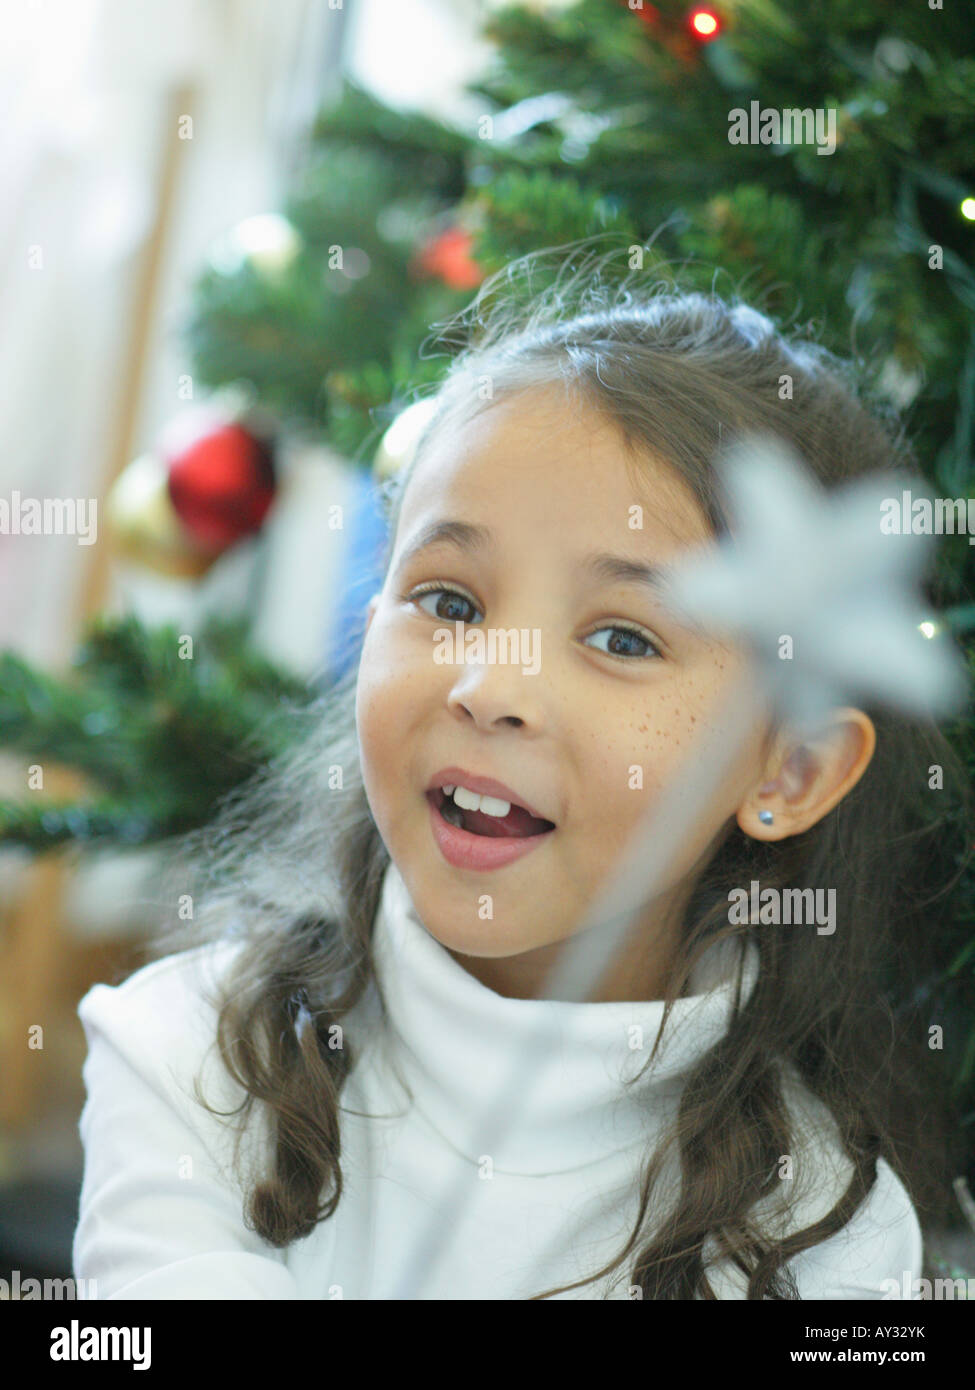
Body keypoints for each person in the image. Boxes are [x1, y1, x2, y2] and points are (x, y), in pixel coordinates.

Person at [72, 242, 970, 1299]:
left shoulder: (826, 1230)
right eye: (450, 602)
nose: (491, 687)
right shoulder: (188, 1057)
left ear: (791, 769)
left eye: (624, 639)